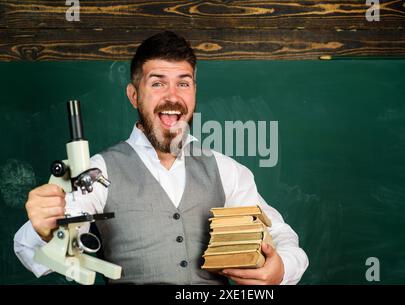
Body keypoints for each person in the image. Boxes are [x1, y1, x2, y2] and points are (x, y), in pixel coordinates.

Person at [13, 31, 309, 285]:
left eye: (183, 82)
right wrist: (44, 229)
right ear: (133, 95)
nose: (172, 96)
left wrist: (280, 269)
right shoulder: (98, 171)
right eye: (157, 83)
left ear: (194, 91)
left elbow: (284, 238)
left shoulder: (226, 170)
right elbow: (31, 251)